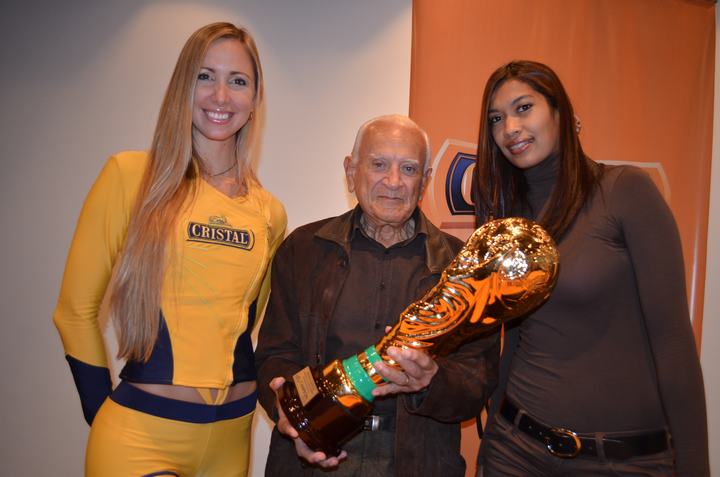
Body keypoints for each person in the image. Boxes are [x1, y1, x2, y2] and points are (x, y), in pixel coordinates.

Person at [52, 22, 286, 476]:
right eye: (205, 76)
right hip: (142, 437)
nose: (221, 95)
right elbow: (73, 312)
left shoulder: (269, 213)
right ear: (183, 86)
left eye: (238, 81)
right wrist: (100, 414)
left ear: (255, 99)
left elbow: (244, 322)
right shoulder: (131, 177)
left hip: (231, 438)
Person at [473, 60, 709, 476]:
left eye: (524, 108)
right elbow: (516, 339)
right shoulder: (510, 220)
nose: (509, 127)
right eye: (496, 118)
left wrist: (695, 468)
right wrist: (491, 440)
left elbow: (672, 343)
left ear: (560, 113)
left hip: (622, 461)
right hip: (516, 452)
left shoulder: (624, 191)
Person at [255, 114, 500, 476]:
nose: (394, 181)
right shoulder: (303, 250)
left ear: (425, 181)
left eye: (409, 169)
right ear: (350, 170)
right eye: (379, 164)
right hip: (316, 456)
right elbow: (276, 356)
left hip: (419, 461)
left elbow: (478, 380)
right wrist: (298, 417)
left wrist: (431, 380)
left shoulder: (462, 267)